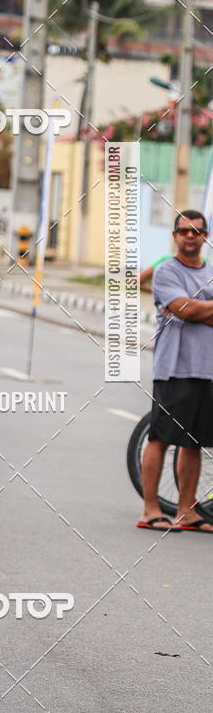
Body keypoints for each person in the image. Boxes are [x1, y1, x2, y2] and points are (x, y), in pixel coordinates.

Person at [137, 210, 213, 533]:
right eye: (184, 231)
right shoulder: (166, 272)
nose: (190, 236)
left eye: (196, 231)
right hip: (174, 369)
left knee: (193, 442)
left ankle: (187, 511)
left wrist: (197, 310)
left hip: (207, 369)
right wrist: (193, 310)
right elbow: (183, 308)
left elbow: (192, 309)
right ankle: (150, 508)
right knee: (159, 437)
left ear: (205, 236)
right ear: (175, 236)